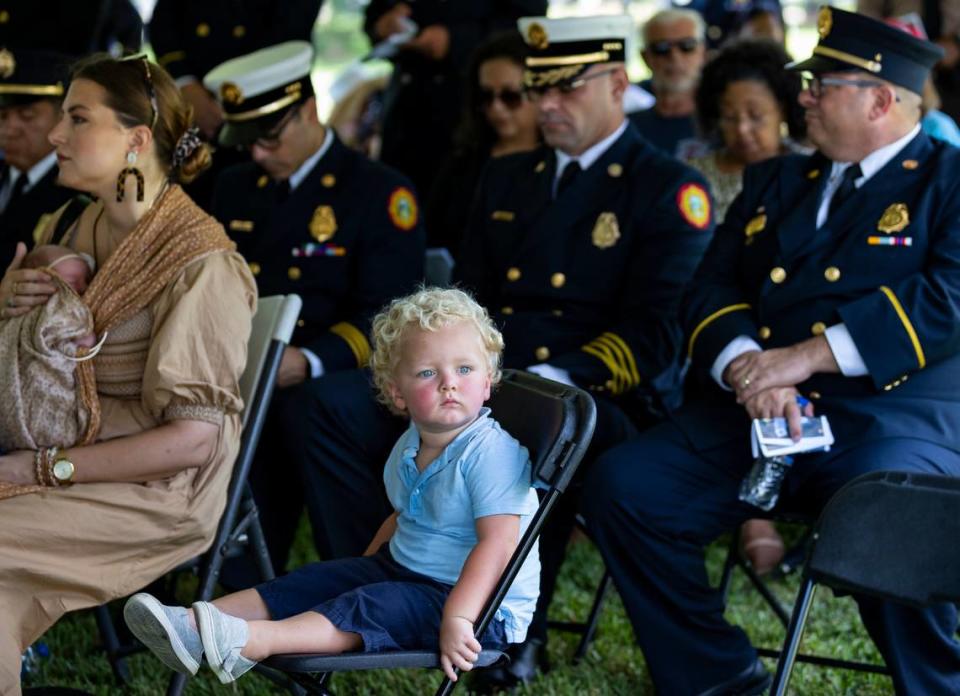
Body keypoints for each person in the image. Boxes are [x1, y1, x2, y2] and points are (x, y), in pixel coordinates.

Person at [292, 15, 714, 689]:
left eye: (565, 89)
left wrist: (536, 380)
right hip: (480, 377)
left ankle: (509, 632)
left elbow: (656, 336)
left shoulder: (667, 188)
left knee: (529, 426)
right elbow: (469, 302)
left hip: (592, 393)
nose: (545, 105)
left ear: (615, 84)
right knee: (328, 405)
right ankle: (385, 586)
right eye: (539, 88)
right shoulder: (508, 177)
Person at [582, 8, 960, 694]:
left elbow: (951, 300)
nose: (804, 97)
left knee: (896, 513)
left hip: (893, 418)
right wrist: (749, 370)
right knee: (625, 486)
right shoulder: (777, 182)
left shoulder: (950, 180)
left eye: (821, 84)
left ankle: (937, 686)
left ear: (880, 99)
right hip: (759, 414)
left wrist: (807, 356)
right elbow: (708, 288)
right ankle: (717, 676)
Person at [123, 286, 540, 685]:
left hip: (477, 608)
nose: (449, 382)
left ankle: (251, 642)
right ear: (398, 394)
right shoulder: (411, 445)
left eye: (464, 369)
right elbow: (402, 516)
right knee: (318, 581)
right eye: (428, 373)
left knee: (371, 605)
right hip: (410, 574)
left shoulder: (491, 454)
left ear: (487, 382)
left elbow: (499, 544)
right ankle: (192, 623)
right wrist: (360, 568)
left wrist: (461, 618)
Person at [0, 53, 256, 694]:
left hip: (159, 491)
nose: (56, 135)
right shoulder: (68, 223)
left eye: (77, 118)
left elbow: (194, 442)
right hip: (71, 448)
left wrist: (36, 467)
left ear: (136, 140)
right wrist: (10, 299)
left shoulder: (202, 264)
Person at [202, 41, 426, 578]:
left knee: (305, 406)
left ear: (309, 110)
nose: (256, 153)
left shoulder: (378, 191)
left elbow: (391, 315)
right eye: (246, 139)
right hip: (247, 362)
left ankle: (358, 572)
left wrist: (310, 359)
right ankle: (227, 573)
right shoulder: (234, 188)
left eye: (269, 137)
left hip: (344, 369)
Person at [364, 0, 547, 199]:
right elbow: (376, 12)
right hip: (407, 107)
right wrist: (381, 24)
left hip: (469, 102)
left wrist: (455, 40)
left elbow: (529, 24)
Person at [425, 30, 540, 253]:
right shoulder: (464, 160)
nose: (496, 108)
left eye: (510, 96)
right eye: (485, 96)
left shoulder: (561, 163)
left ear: (541, 93)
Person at [688, 40, 807, 223]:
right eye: (729, 117)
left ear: (783, 111)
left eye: (756, 116)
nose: (742, 129)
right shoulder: (694, 177)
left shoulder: (810, 171)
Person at [0, 247, 97, 460]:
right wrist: (84, 339)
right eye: (71, 283)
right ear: (35, 284)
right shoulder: (49, 312)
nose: (83, 289)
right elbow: (76, 336)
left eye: (87, 281)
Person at [0, 49, 79, 267]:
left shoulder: (77, 191)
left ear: (61, 117)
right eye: (2, 115)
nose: (9, 129)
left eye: (27, 115)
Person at [629, 9, 708, 159]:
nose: (674, 57)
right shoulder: (628, 128)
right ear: (645, 57)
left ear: (702, 52)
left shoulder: (727, 121)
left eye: (687, 46)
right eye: (661, 48)